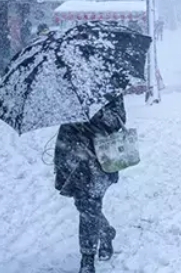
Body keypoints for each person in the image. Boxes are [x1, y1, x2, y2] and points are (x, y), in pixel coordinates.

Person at [54, 96, 126, 273]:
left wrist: (91, 121)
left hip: (99, 159)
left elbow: (117, 120)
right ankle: (106, 232)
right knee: (83, 205)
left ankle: (87, 259)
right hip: (72, 156)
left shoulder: (106, 87)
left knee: (90, 207)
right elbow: (62, 121)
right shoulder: (66, 87)